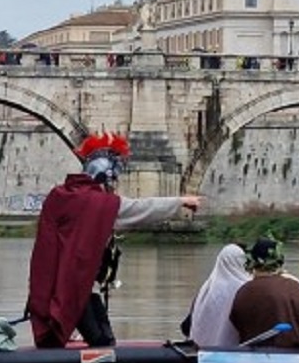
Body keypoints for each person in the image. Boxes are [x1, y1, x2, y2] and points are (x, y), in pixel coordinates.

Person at [26, 130, 201, 348]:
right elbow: (141, 209)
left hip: (50, 291)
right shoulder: (98, 205)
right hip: (73, 291)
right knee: (103, 343)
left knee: (94, 319)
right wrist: (181, 201)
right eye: (114, 178)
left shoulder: (58, 196)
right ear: (105, 174)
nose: (114, 184)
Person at [183, 244, 250, 346]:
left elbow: (187, 325)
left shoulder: (207, 287)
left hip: (200, 351)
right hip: (231, 350)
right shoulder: (245, 287)